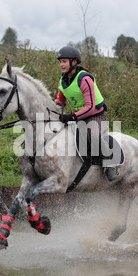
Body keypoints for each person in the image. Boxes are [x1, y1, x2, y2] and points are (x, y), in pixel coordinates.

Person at [55, 46, 119, 181]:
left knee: (95, 137)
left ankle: (110, 164)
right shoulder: (63, 80)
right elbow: (60, 100)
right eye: (60, 61)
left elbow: (90, 107)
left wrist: (72, 117)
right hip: (78, 117)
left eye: (64, 61)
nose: (61, 64)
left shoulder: (84, 79)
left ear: (74, 62)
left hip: (95, 116)